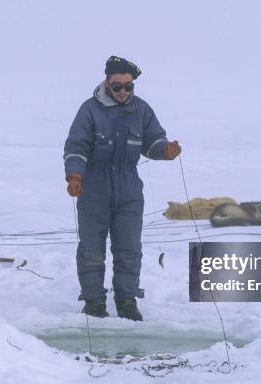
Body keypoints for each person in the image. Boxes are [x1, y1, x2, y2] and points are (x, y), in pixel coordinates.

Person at [63, 56, 181, 321]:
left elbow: (153, 142)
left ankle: (126, 301)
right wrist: (74, 175)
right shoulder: (89, 111)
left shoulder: (142, 110)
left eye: (129, 87)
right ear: (108, 82)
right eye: (118, 87)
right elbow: (76, 147)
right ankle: (94, 303)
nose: (124, 92)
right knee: (92, 251)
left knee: (129, 249)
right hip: (93, 190)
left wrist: (166, 150)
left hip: (128, 191)